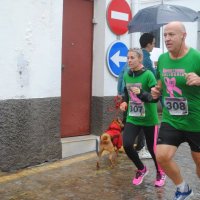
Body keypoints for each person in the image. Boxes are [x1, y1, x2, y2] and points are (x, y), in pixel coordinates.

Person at [151, 21, 200, 200]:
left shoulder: (196, 57)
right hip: (172, 118)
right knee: (161, 156)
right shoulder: (163, 59)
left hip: (196, 120)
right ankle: (183, 188)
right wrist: (156, 91)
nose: (167, 38)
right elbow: (160, 84)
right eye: (165, 35)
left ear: (183, 36)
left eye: (171, 34)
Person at [120, 48, 166, 187]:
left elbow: (154, 97)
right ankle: (141, 169)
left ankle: (160, 172)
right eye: (127, 58)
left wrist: (141, 93)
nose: (129, 60)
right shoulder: (127, 75)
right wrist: (124, 102)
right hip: (133, 117)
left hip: (149, 119)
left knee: (153, 149)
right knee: (127, 145)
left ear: (140, 59)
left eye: (132, 58)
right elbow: (126, 94)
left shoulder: (148, 75)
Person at [117, 63, 151, 159]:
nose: (129, 60)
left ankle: (121, 145)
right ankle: (140, 148)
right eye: (129, 58)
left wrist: (120, 93)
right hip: (137, 97)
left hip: (128, 95)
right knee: (139, 122)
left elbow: (120, 78)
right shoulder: (143, 68)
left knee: (127, 121)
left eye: (131, 57)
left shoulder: (125, 66)